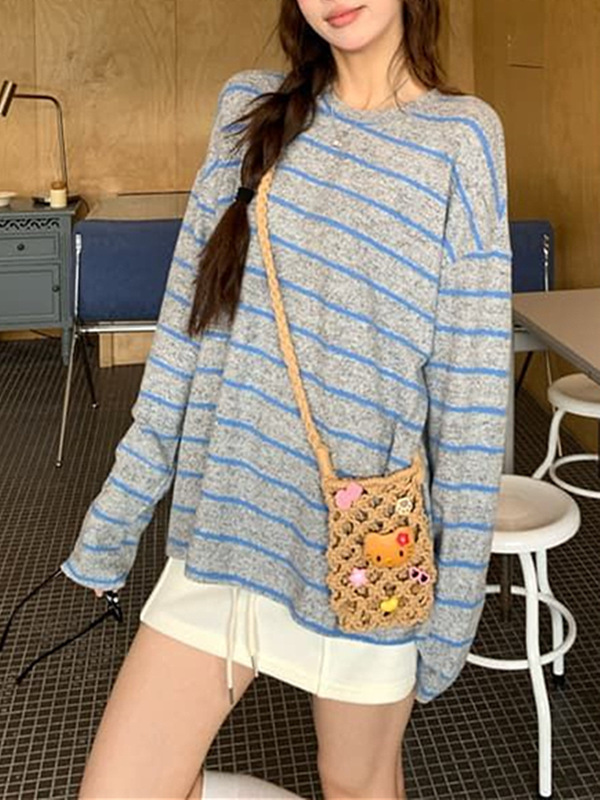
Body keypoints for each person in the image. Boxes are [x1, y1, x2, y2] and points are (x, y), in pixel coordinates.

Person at [63, 1, 513, 798]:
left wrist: (453, 608)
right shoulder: (250, 108)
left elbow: (471, 395)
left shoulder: (462, 138)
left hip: (371, 543)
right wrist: (117, 516)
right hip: (226, 522)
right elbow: (187, 333)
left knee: (355, 783)